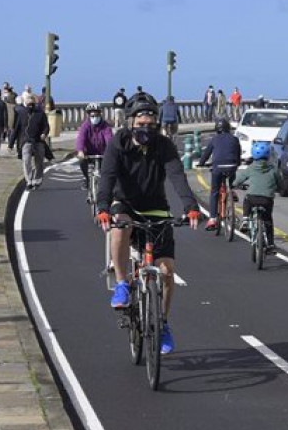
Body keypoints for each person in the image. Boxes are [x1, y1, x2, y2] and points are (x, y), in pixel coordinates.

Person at [95, 93, 201, 355]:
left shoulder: (163, 145)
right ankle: (122, 284)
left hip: (156, 207)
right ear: (130, 122)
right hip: (125, 203)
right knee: (121, 226)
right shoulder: (117, 144)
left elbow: (177, 175)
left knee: (166, 272)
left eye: (151, 125)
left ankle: (162, 324)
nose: (146, 129)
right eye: (141, 124)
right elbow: (107, 177)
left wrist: (190, 207)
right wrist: (103, 208)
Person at [233, 141, 278, 253]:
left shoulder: (251, 168)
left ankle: (245, 219)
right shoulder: (273, 169)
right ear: (268, 155)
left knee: (247, 200)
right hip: (267, 199)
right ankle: (271, 244)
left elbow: (238, 180)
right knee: (268, 220)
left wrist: (234, 185)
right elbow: (280, 182)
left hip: (252, 198)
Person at [197, 118, 241, 231]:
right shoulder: (234, 139)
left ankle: (212, 219)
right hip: (232, 166)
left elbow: (206, 153)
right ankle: (232, 189)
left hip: (218, 167)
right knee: (232, 173)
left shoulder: (214, 139)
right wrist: (237, 163)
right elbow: (238, 153)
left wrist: (201, 163)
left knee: (214, 192)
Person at [12, 94, 50, 190]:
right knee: (26, 161)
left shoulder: (41, 114)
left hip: (38, 141)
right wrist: (10, 144)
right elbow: (16, 129)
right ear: (25, 103)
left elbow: (46, 126)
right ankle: (29, 181)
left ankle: (37, 179)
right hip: (26, 141)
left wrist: (44, 134)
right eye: (28, 103)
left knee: (39, 161)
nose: (30, 105)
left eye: (32, 103)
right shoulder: (21, 114)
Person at [76, 102, 114, 190]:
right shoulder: (85, 126)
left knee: (107, 170)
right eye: (92, 115)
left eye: (96, 115)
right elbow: (81, 138)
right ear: (88, 115)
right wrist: (80, 151)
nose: (94, 117)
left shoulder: (105, 126)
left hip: (102, 153)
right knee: (81, 161)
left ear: (100, 114)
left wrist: (111, 151)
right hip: (88, 153)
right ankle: (86, 178)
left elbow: (109, 139)